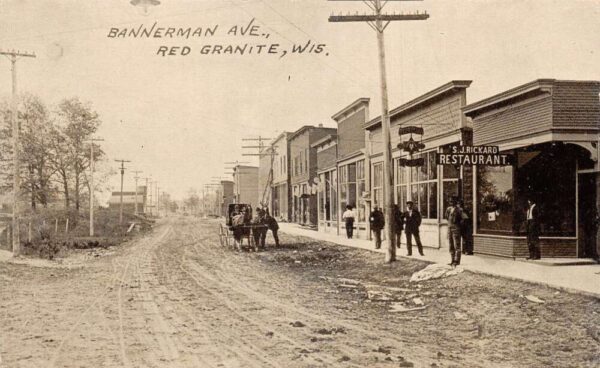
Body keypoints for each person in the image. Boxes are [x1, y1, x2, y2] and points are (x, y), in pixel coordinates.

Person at [445, 197, 463, 267]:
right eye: (450, 201)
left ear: (456, 202)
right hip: (450, 228)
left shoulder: (459, 210)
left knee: (457, 245)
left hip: (456, 229)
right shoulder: (448, 209)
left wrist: (458, 227)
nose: (451, 203)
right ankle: (452, 260)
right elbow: (446, 217)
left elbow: (462, 220)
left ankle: (457, 261)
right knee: (451, 245)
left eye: (453, 201)